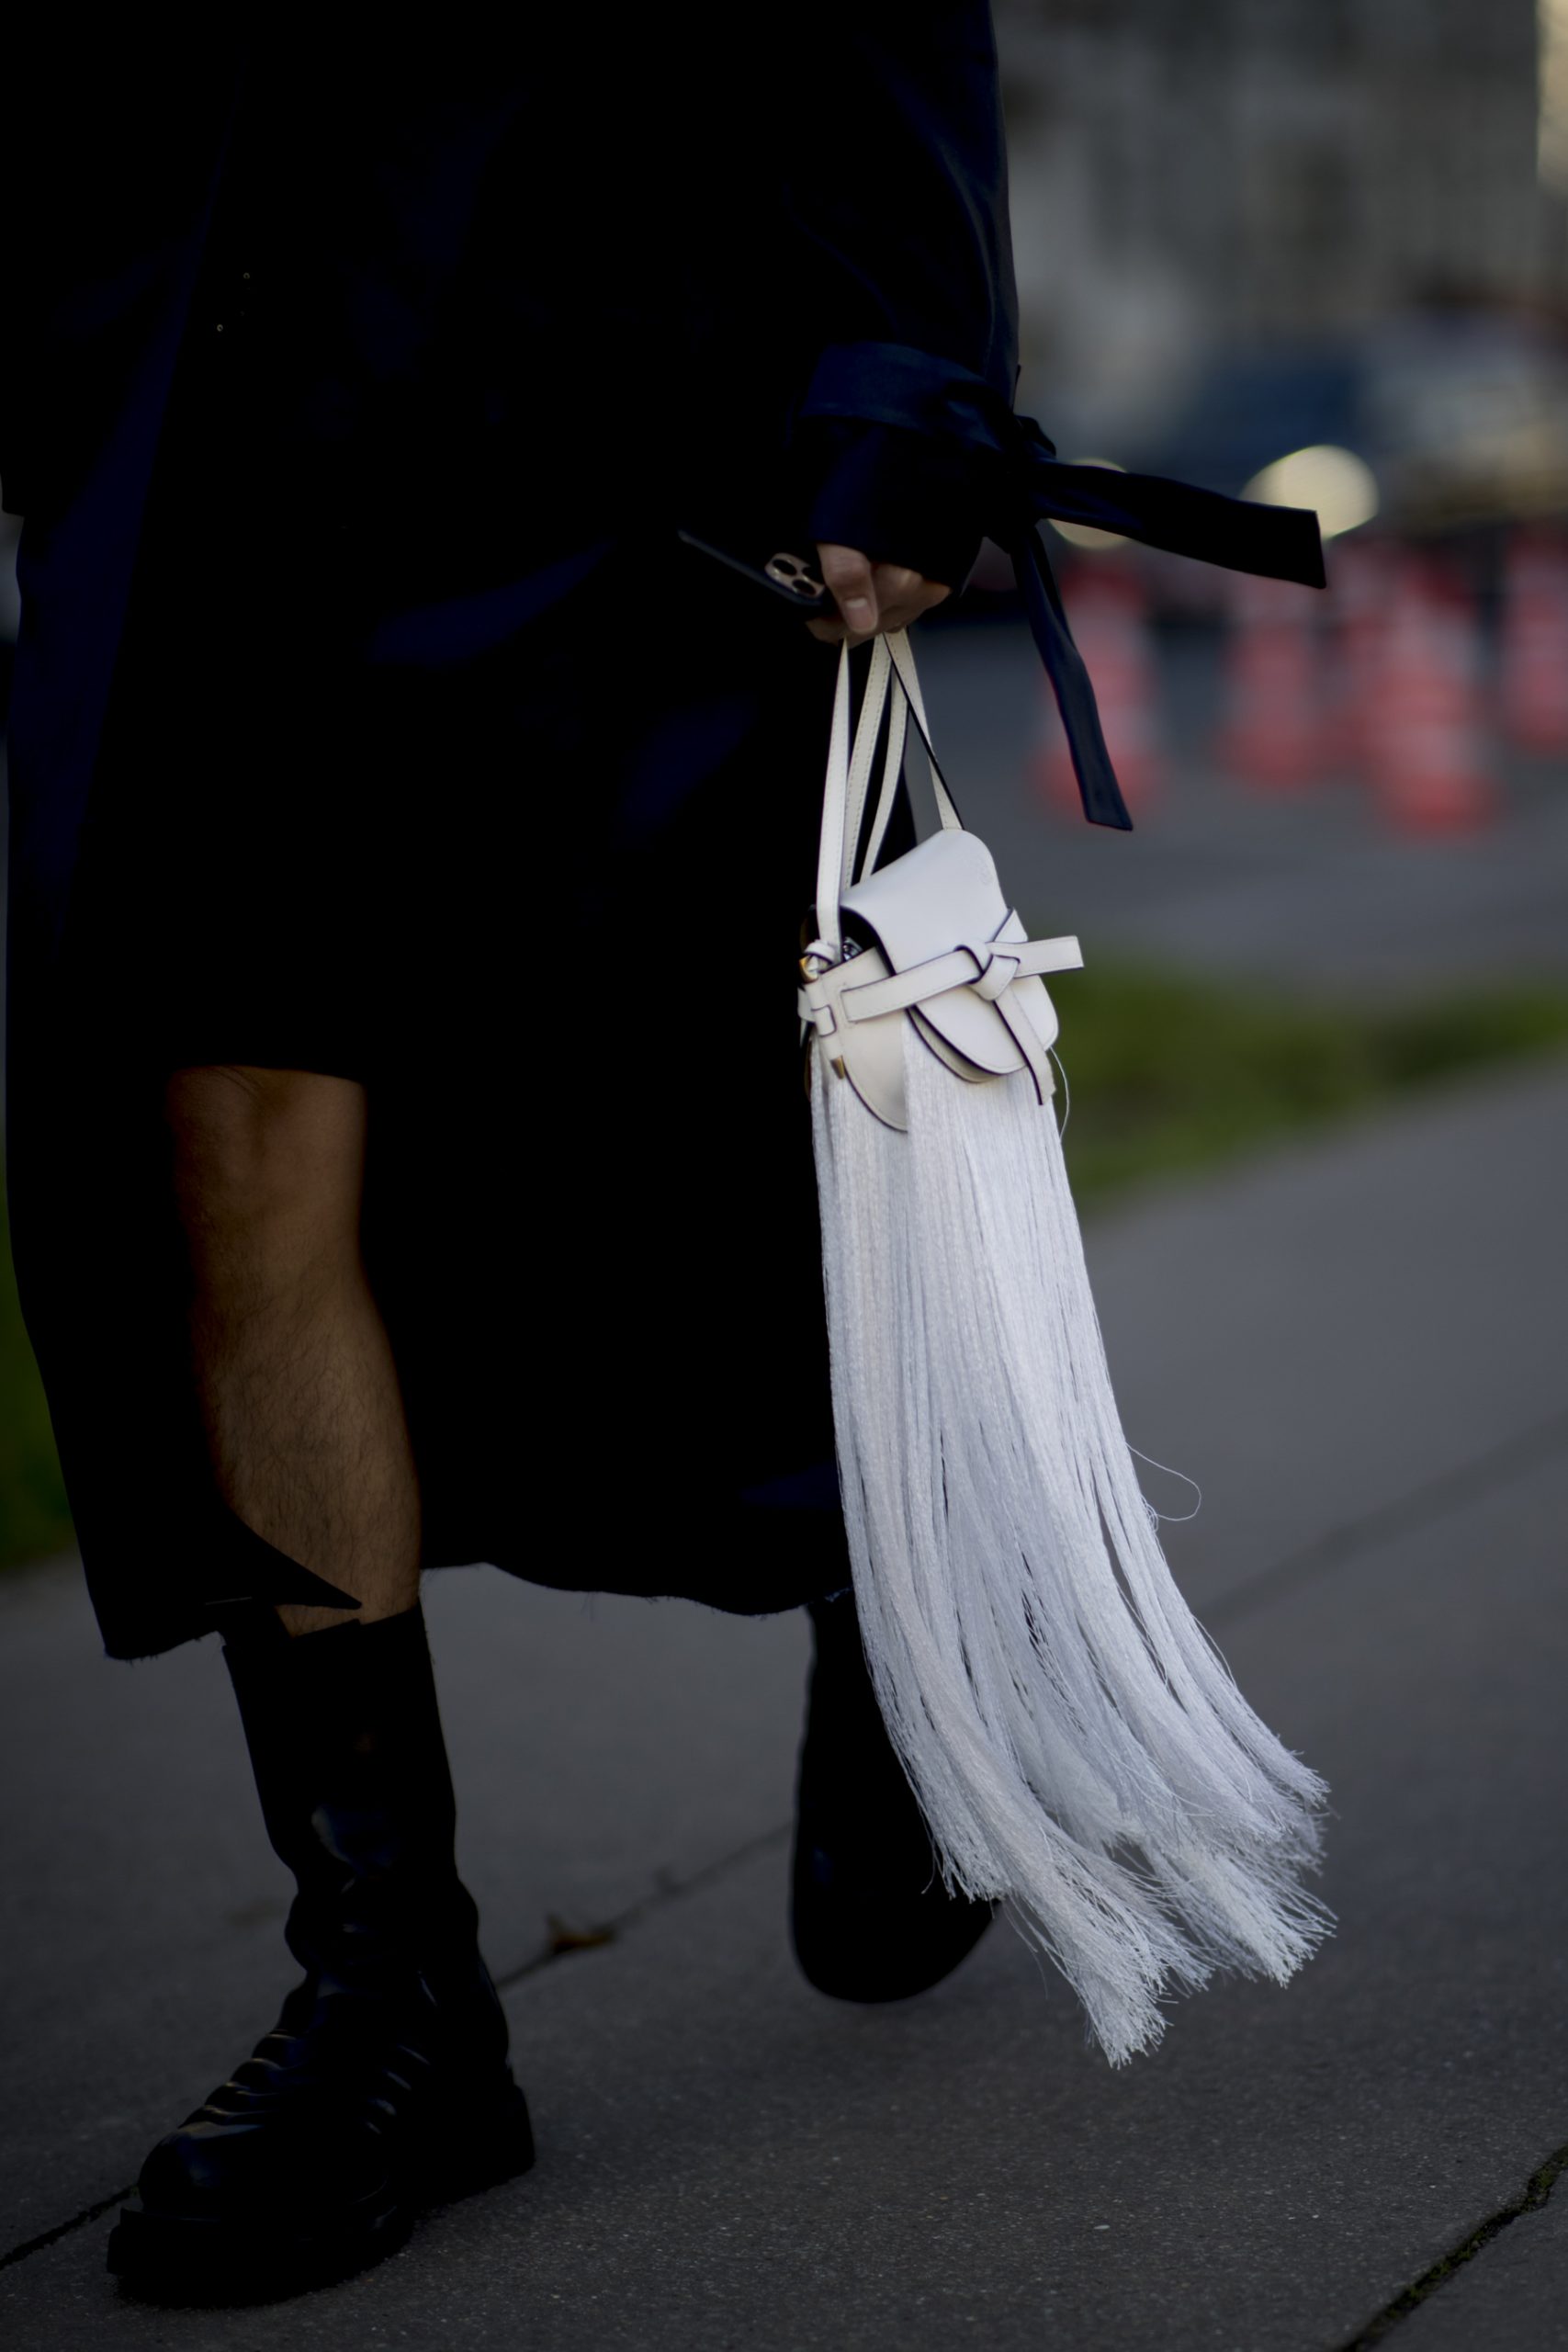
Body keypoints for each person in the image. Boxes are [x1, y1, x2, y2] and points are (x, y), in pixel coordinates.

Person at [5, 16, 1015, 2299]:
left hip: (602, 424)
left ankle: (895, 1570)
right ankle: (393, 1983)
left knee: (662, 1114)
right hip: (191, 436)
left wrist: (895, 367)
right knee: (225, 1141)